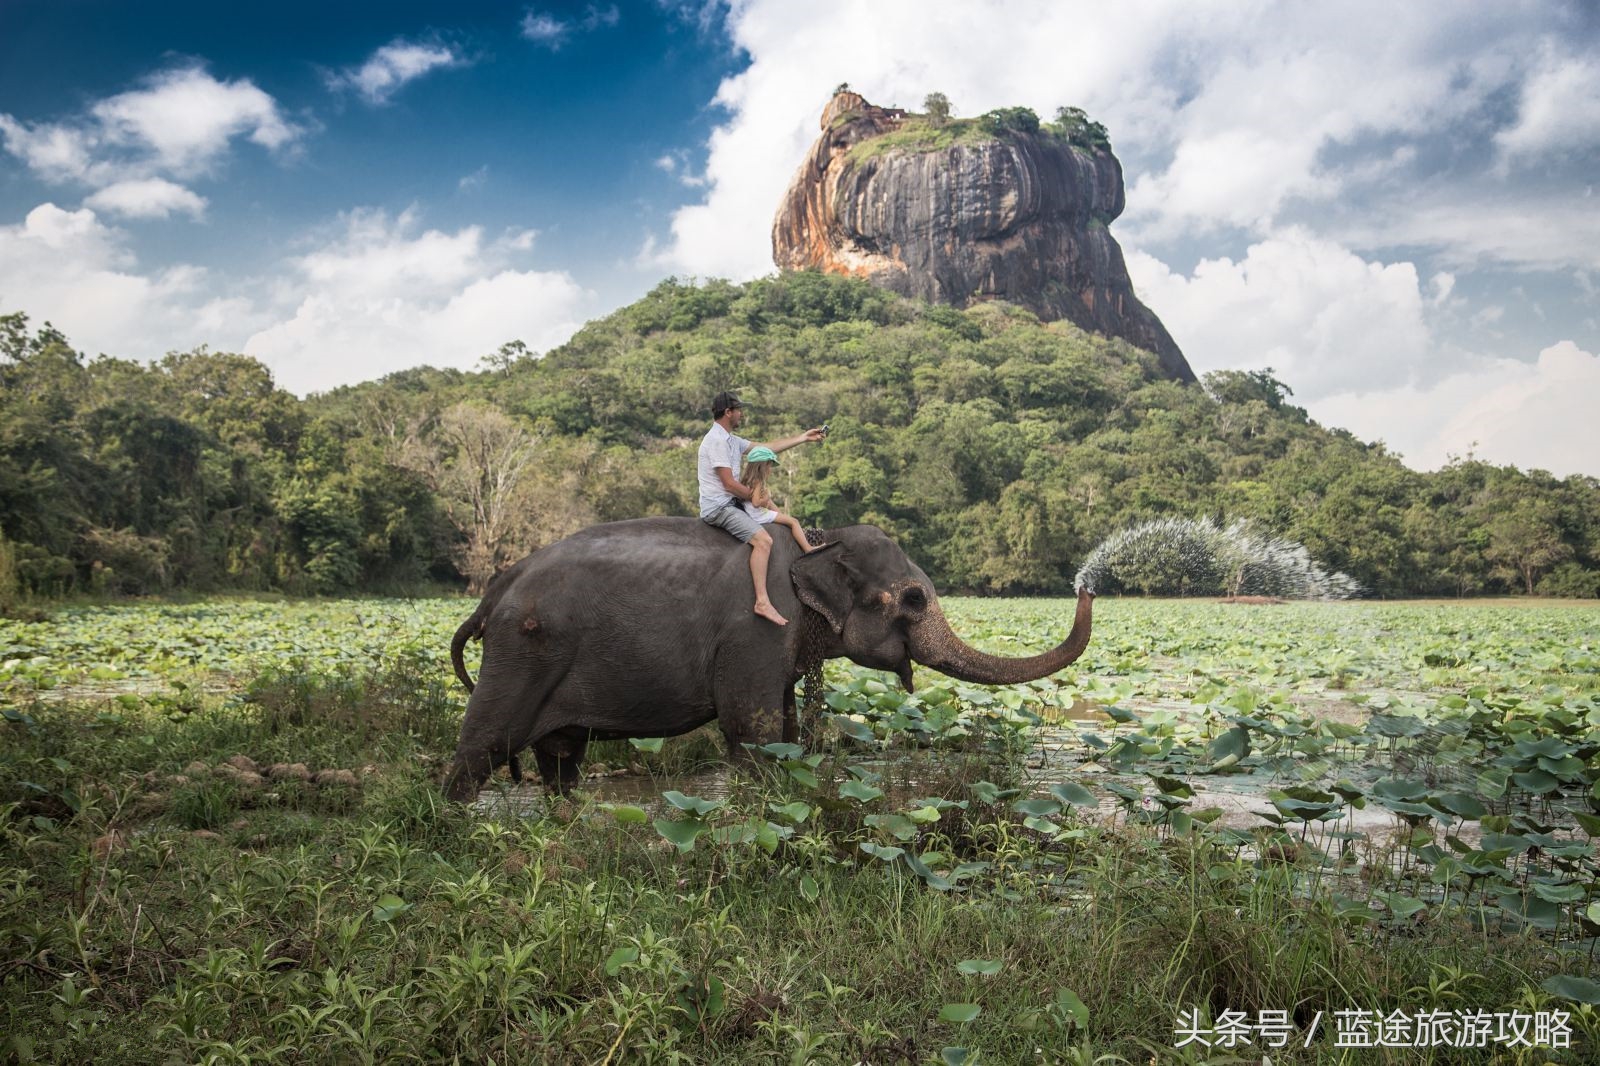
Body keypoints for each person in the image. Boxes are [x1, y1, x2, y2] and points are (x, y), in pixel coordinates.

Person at [697, 391, 825, 625]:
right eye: (738, 410)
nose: (741, 414)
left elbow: (766, 448)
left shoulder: (731, 440)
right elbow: (728, 483)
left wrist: (802, 438)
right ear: (728, 412)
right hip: (720, 507)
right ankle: (762, 601)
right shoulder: (715, 441)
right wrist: (757, 500)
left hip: (733, 502)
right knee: (763, 541)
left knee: (780, 516)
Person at [740, 446, 818, 556]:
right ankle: (808, 548)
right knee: (794, 522)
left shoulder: (746, 479)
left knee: (783, 516)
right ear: (763, 466)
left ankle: (786, 521)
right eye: (769, 466)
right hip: (756, 514)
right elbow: (756, 503)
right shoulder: (758, 481)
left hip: (749, 512)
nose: (770, 470)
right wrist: (766, 498)